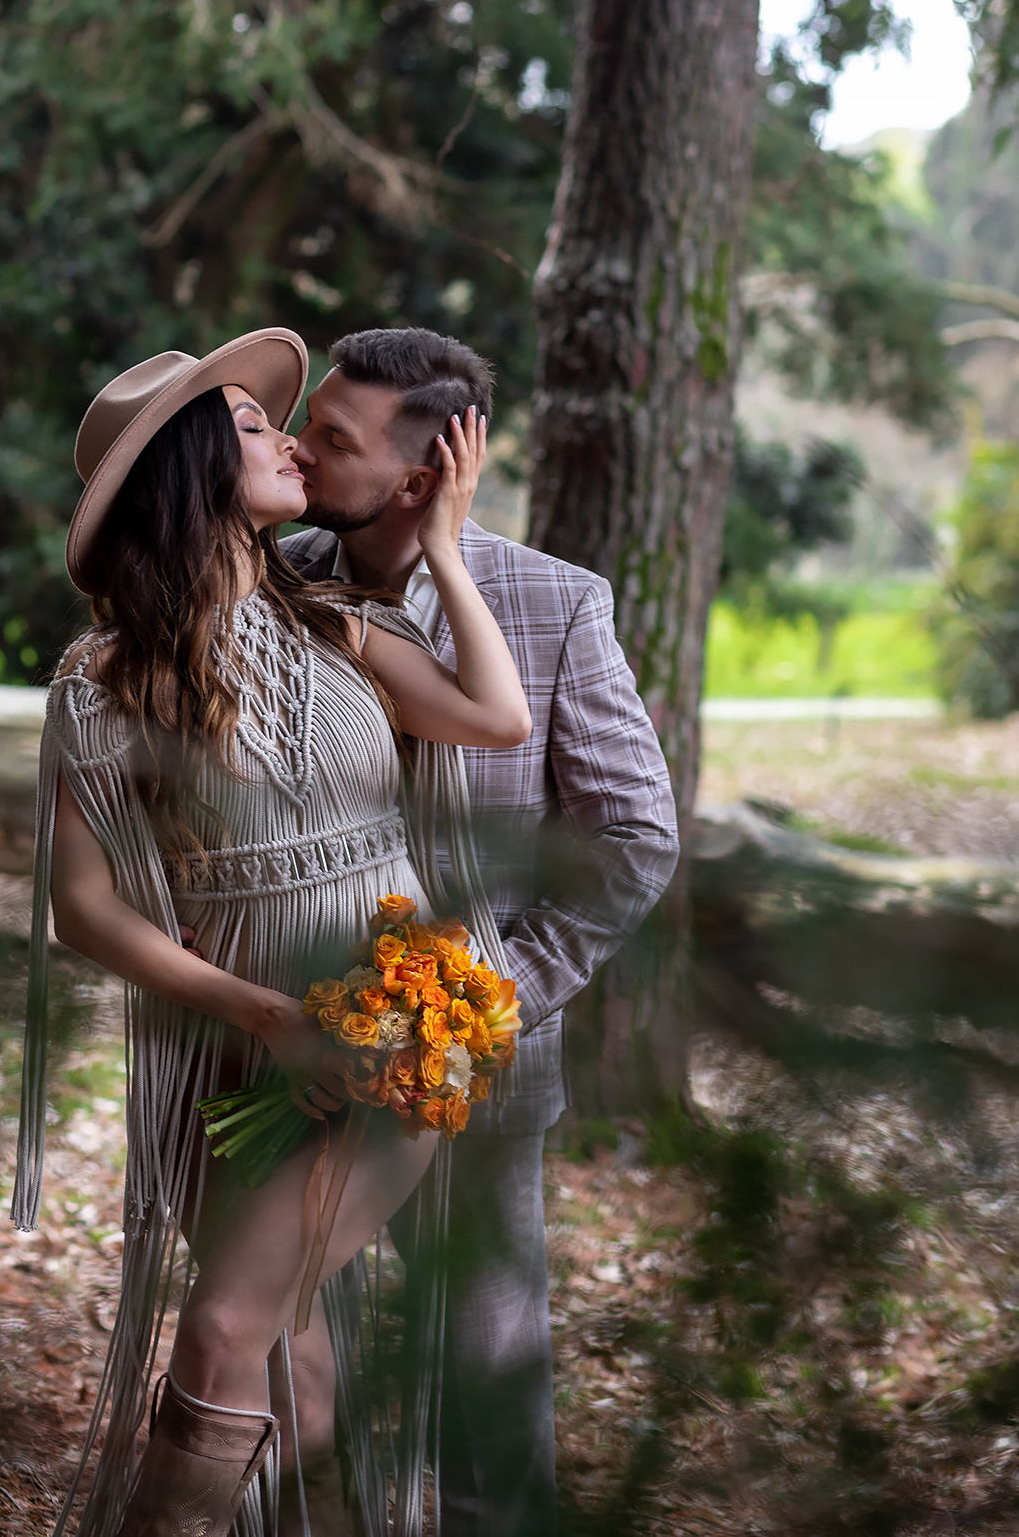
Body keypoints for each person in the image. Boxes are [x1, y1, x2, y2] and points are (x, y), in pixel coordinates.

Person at [11, 328, 532, 1537]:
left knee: (229, 1325)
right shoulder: (101, 683)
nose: (287, 440)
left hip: (396, 1034)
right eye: (252, 429)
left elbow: (495, 719)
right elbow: (83, 912)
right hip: (227, 1055)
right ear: (194, 472)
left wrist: (445, 550)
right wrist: (263, 1014)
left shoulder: (338, 626)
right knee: (290, 1375)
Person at [282, 325, 680, 1537]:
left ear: (420, 476)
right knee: (298, 1342)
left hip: (480, 1069)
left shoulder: (555, 607)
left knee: (483, 1363)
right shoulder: (273, 582)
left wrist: (480, 999)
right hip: (289, 1050)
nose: (301, 449)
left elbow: (634, 837)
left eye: (332, 438)